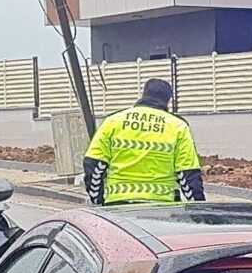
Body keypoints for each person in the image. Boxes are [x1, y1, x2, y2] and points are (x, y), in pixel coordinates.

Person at [84, 78, 204, 206]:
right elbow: (188, 173)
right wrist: (200, 210)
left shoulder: (113, 121)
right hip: (163, 208)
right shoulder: (177, 126)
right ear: (168, 100)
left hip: (118, 205)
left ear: (144, 94)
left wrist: (98, 201)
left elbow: (93, 164)